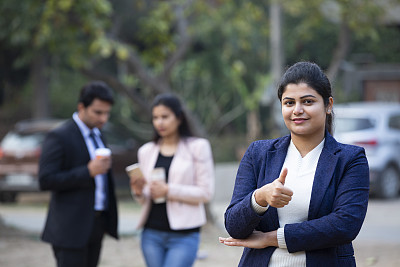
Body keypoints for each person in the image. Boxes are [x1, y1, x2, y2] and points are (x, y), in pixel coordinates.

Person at [219, 62, 369, 266]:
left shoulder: (350, 159)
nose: (297, 110)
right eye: (289, 103)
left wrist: (271, 239)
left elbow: (345, 225)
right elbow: (234, 227)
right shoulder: (258, 153)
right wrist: (260, 198)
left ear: (328, 105)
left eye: (307, 101)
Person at [129, 93, 215, 267]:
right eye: (155, 118)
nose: (159, 122)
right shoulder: (146, 151)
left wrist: (168, 190)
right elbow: (145, 196)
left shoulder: (198, 147)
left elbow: (206, 192)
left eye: (165, 117)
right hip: (151, 233)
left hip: (184, 235)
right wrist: (138, 191)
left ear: (179, 118)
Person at [39, 81, 119, 267]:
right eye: (98, 112)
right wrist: (87, 172)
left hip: (97, 223)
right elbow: (46, 180)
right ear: (81, 107)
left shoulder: (99, 135)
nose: (103, 118)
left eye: (107, 113)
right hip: (69, 228)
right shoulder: (59, 136)